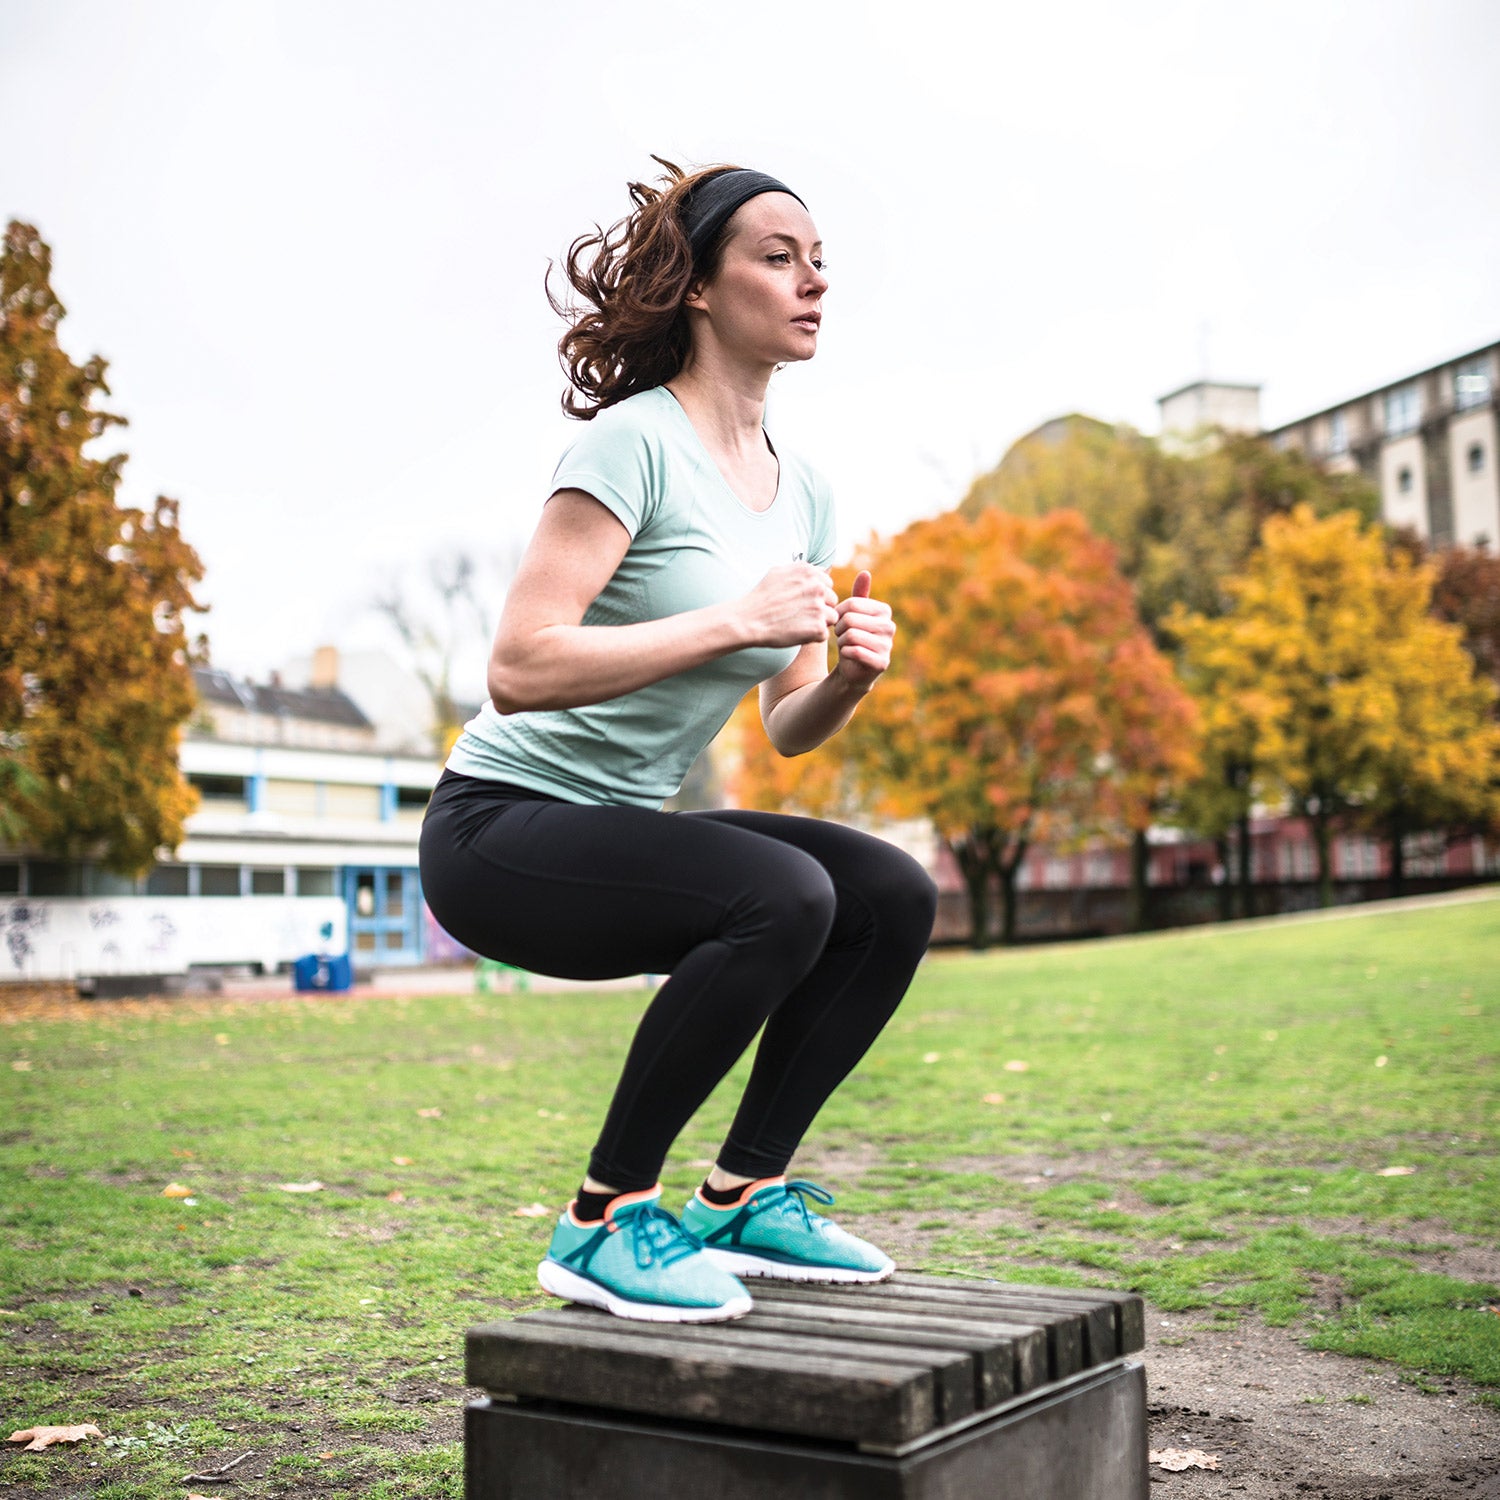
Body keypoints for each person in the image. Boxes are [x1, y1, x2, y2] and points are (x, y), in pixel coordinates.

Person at [418, 157, 938, 1323]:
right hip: (498, 831)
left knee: (890, 894)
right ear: (700, 286)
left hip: (618, 827)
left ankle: (742, 1197)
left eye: (819, 262)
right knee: (785, 896)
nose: (813, 282)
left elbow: (788, 725)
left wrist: (850, 678)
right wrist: (734, 620)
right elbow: (520, 663)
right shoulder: (631, 446)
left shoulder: (802, 491)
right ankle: (602, 1221)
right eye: (778, 257)